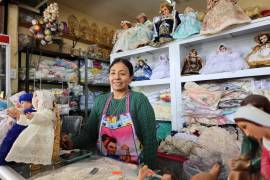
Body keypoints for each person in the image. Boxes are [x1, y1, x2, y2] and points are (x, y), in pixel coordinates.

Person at [62, 58, 158, 169]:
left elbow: (150, 139)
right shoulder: (100, 100)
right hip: (104, 165)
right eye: (113, 73)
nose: (117, 77)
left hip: (134, 168)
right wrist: (72, 142)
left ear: (131, 78)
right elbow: (90, 133)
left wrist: (148, 171)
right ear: (109, 77)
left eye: (122, 73)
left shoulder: (139, 100)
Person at [5, 90, 56, 165]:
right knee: (22, 142)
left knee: (29, 143)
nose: (34, 100)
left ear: (44, 100)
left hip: (42, 133)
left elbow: (43, 118)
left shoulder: (47, 112)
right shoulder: (37, 111)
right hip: (33, 131)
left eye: (37, 97)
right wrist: (19, 117)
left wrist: (33, 116)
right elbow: (27, 121)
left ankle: (34, 160)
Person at [229, 94, 270, 180]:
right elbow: (248, 141)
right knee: (237, 173)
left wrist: (249, 164)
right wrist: (243, 158)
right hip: (259, 161)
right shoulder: (250, 126)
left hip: (259, 163)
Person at [0, 93, 35, 165]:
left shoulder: (31, 111)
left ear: (30, 103)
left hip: (21, 132)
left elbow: (23, 114)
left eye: (22, 103)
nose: (21, 105)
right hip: (17, 131)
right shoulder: (25, 110)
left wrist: (17, 112)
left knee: (10, 146)